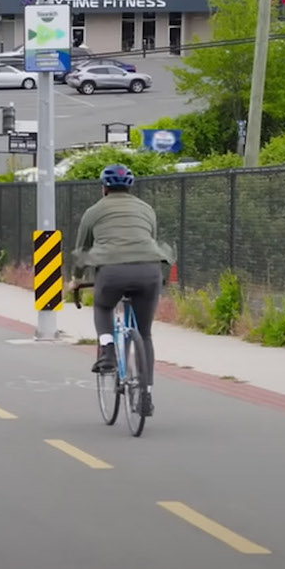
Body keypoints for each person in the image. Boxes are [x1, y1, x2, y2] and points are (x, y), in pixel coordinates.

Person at [70, 163, 171, 417]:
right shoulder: (146, 209)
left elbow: (82, 250)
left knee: (103, 306)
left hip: (112, 273)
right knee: (145, 334)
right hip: (150, 271)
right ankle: (146, 393)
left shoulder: (94, 211)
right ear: (130, 187)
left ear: (104, 188)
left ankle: (107, 351)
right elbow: (150, 239)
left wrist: (75, 280)